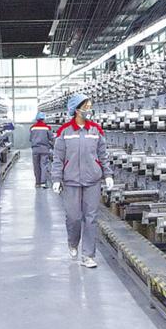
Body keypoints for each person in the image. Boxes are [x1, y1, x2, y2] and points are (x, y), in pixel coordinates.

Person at [51, 93, 113, 268]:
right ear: (76, 110)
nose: (88, 110)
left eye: (89, 106)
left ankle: (88, 255)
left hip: (93, 179)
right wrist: (56, 178)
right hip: (71, 180)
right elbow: (58, 157)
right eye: (86, 107)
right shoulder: (64, 131)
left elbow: (103, 155)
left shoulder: (96, 130)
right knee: (73, 217)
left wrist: (107, 174)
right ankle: (73, 242)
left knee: (91, 218)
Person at [29, 112, 53, 188]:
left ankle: (37, 182)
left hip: (35, 149)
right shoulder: (47, 127)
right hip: (44, 149)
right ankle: (43, 182)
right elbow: (51, 138)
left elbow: (30, 139)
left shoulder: (32, 127)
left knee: (36, 165)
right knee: (44, 165)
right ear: (43, 119)